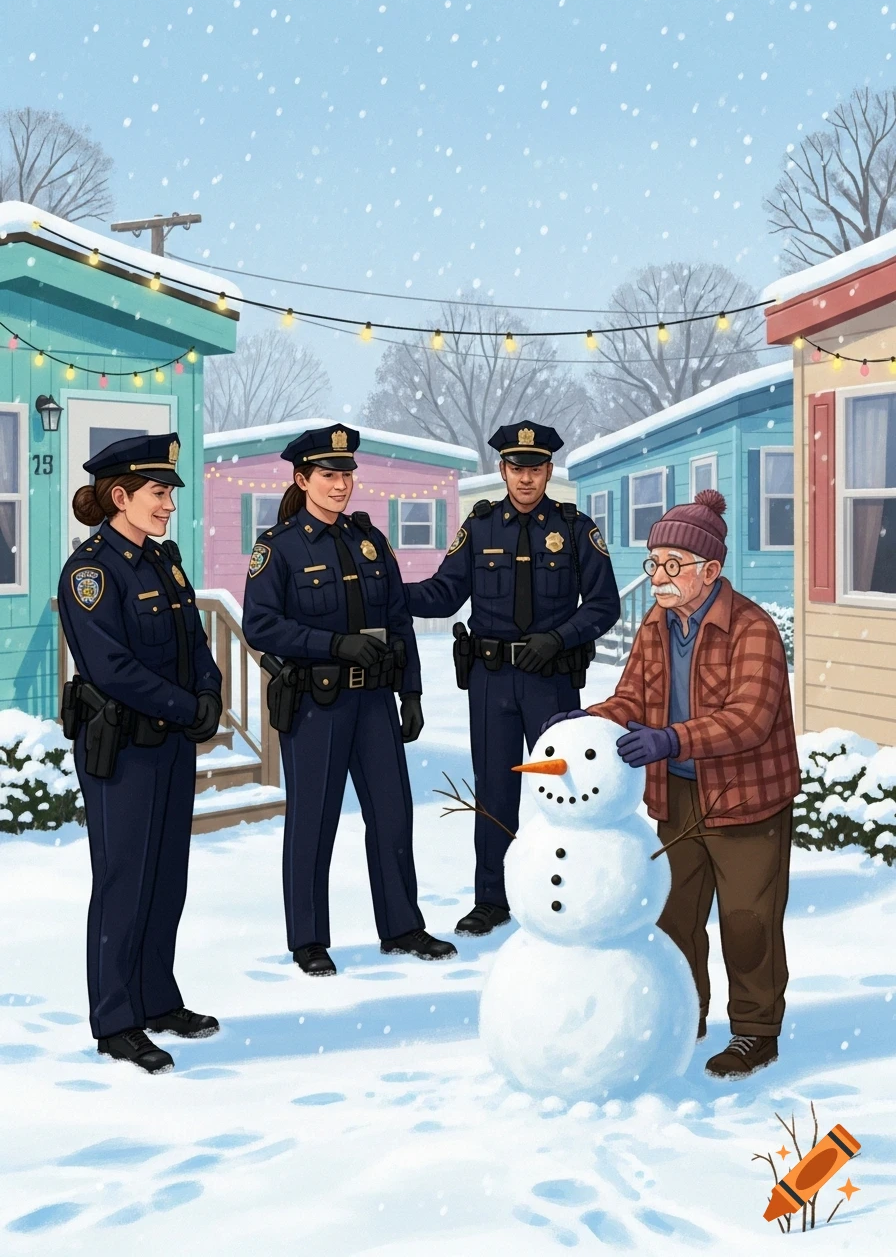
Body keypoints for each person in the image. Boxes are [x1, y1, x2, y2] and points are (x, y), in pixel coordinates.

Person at [551, 489, 801, 1079]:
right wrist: (593, 718)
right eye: (654, 563)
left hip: (746, 798)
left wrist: (673, 739)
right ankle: (685, 1014)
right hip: (677, 794)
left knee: (749, 921)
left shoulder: (753, 627)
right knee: (675, 917)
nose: (659, 576)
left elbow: (749, 718)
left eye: (672, 565)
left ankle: (756, 1032)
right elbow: (635, 695)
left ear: (710, 570)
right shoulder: (658, 623)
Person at [242, 424, 456, 975]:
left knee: (392, 815)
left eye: (347, 474)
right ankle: (309, 939)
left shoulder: (369, 540)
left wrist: (410, 691)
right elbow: (260, 625)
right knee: (313, 822)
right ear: (302, 479)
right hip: (317, 704)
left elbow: (397, 619)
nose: (341, 485)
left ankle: (402, 926)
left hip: (375, 705)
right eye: (329, 475)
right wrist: (333, 644)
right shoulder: (280, 548)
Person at [404, 420, 621, 936]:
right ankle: (492, 899)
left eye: (537, 468)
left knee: (562, 791)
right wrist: (386, 587)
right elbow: (443, 594)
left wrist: (561, 637)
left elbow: (604, 604)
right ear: (502, 469)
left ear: (550, 471)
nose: (526, 479)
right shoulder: (479, 528)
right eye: (517, 468)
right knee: (494, 793)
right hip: (492, 678)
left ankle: (560, 892)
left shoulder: (574, 528)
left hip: (551, 677)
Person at [57, 434, 223, 1075]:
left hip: (171, 746)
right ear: (120, 496)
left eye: (170, 496)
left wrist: (209, 692)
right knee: (124, 881)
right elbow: (113, 667)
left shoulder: (164, 562)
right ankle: (117, 1019)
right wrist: (187, 708)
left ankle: (158, 999)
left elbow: (194, 639)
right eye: (158, 495)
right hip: (122, 748)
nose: (167, 507)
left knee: (165, 878)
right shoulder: (92, 572)